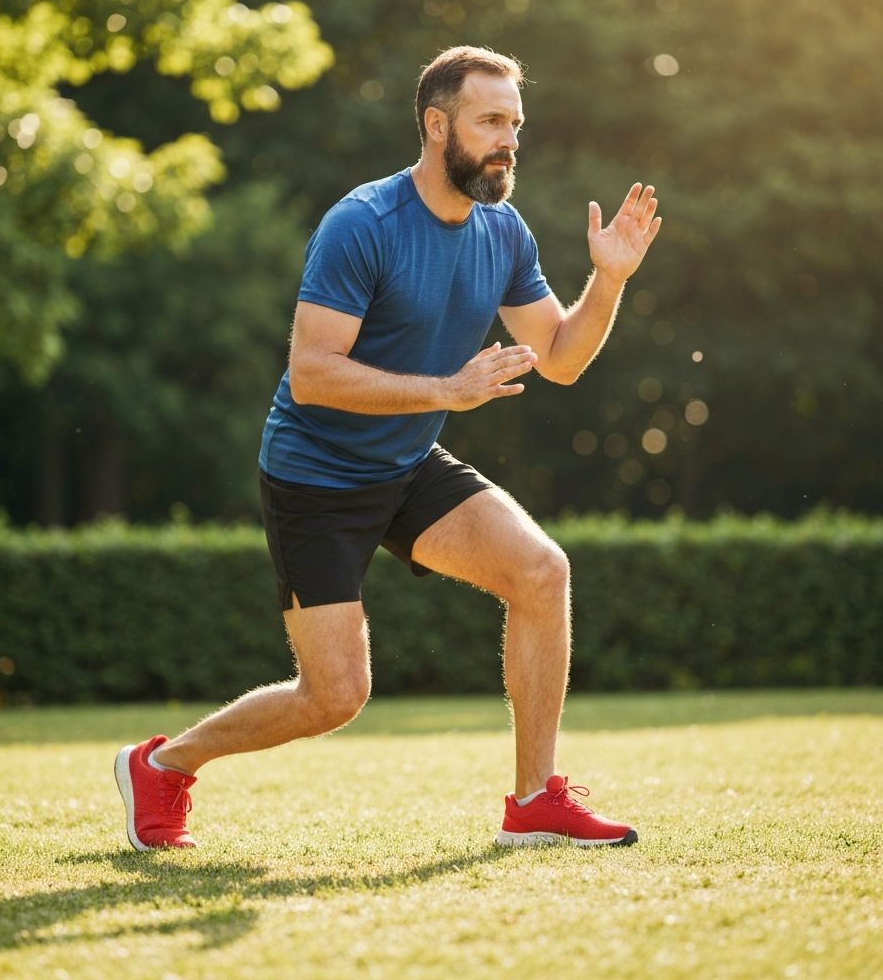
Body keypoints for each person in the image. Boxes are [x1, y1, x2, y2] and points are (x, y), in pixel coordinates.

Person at [115, 45, 661, 851]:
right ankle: (163, 765)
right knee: (333, 697)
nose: (509, 139)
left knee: (542, 572)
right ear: (438, 125)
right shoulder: (363, 224)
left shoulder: (503, 232)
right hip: (317, 476)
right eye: (490, 121)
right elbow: (311, 374)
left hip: (406, 464)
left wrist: (608, 280)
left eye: (515, 122)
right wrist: (445, 390)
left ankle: (535, 800)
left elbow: (563, 360)